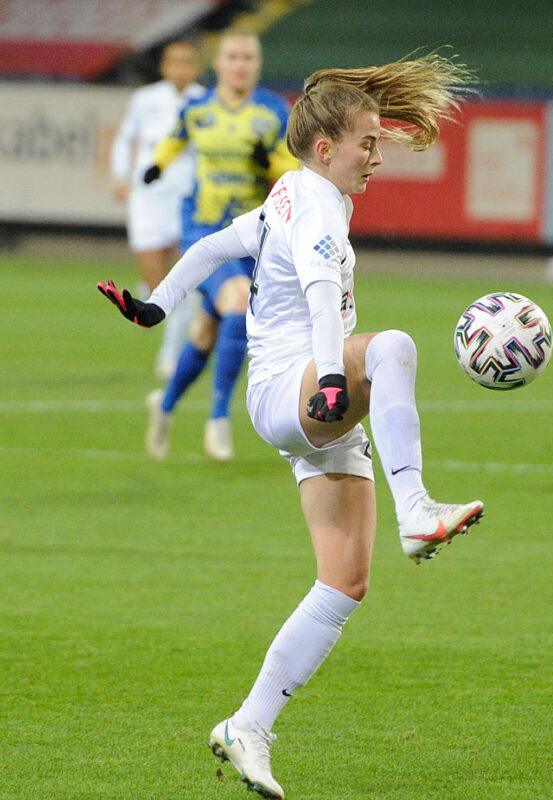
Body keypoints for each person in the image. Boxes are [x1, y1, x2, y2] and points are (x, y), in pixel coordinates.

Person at [98, 52, 483, 800]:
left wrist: (156, 306)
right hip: (291, 389)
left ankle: (249, 726)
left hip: (306, 398)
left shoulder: (294, 194)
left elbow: (214, 245)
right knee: (396, 348)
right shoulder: (314, 209)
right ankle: (418, 510)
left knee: (344, 582)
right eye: (369, 142)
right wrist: (336, 378)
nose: (379, 154)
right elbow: (315, 293)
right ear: (324, 146)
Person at [142, 29, 297, 461]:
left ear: (257, 64)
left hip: (251, 235)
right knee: (237, 304)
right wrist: (157, 165)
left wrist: (271, 162)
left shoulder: (271, 110)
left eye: (248, 57)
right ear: (219, 63)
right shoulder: (198, 108)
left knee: (210, 329)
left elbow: (291, 164)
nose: (241, 64)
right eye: (233, 56)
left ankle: (166, 405)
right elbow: (175, 139)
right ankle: (218, 417)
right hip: (203, 229)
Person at [110, 40, 205, 380]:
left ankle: (170, 353)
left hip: (188, 199)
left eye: (187, 62)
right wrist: (121, 175)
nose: (181, 68)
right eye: (174, 62)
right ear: (164, 66)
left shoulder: (205, 101)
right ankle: (153, 305)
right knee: (154, 286)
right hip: (148, 197)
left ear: (197, 66)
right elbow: (124, 138)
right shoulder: (144, 99)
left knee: (184, 279)